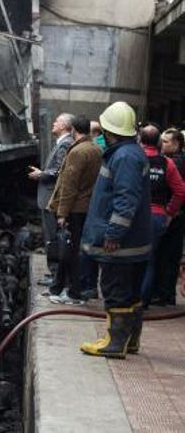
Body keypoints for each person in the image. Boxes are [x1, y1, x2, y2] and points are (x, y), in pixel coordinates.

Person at [80, 101, 152, 359]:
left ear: (110, 132)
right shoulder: (132, 153)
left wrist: (113, 234)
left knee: (115, 291)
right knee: (131, 293)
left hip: (121, 245)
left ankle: (114, 343)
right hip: (135, 243)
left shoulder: (123, 157)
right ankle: (130, 340)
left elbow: (125, 200)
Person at [45, 116, 102, 305]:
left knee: (69, 250)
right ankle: (61, 288)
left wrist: (62, 213)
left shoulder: (78, 151)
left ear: (73, 130)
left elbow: (69, 185)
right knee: (73, 250)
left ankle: (73, 292)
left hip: (75, 209)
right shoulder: (96, 149)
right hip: (87, 207)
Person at [137, 123, 185, 309]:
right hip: (158, 216)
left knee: (138, 260)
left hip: (136, 215)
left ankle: (137, 300)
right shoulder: (167, 163)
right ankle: (145, 301)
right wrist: (168, 213)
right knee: (150, 260)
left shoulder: (133, 157)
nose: (164, 144)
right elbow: (180, 191)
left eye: (167, 141)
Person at [28, 113, 75, 285]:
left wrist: (41, 174)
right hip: (49, 197)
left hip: (51, 198)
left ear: (64, 126)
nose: (53, 123)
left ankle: (57, 276)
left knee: (53, 237)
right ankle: (55, 273)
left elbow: (58, 172)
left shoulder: (65, 144)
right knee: (51, 236)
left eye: (57, 121)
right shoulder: (62, 143)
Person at [154, 128, 185, 306]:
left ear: (176, 144)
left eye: (166, 141)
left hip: (173, 216)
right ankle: (165, 293)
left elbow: (178, 192)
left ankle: (164, 294)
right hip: (173, 215)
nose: (162, 144)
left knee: (166, 256)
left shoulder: (176, 163)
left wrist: (169, 213)